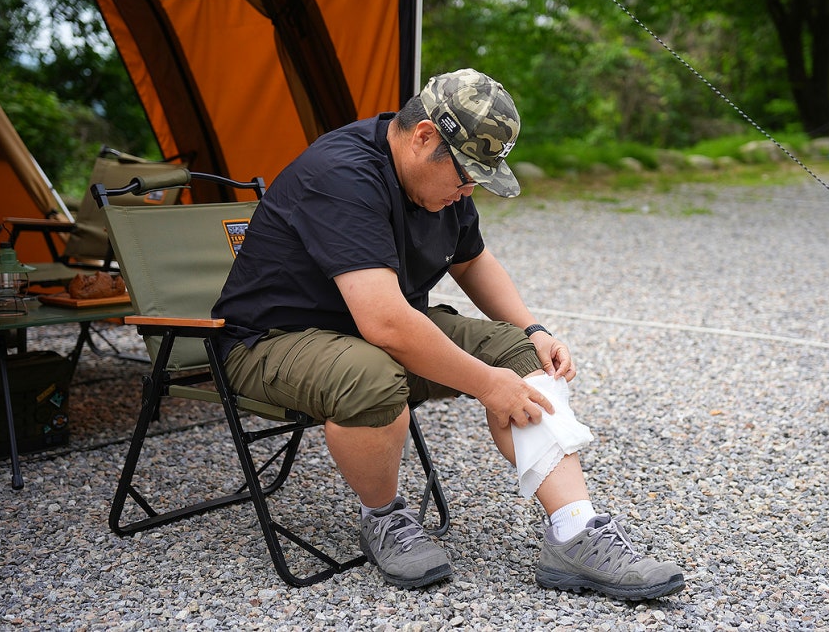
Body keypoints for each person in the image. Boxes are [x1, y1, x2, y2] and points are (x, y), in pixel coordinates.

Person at [212, 68, 685, 600]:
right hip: (273, 341)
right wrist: (488, 385)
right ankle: (383, 517)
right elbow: (385, 322)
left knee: (517, 352)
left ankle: (575, 532)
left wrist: (533, 328)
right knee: (371, 375)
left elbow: (473, 262)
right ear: (424, 136)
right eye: (465, 177)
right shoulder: (341, 174)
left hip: (372, 333)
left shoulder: (446, 181)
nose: (468, 191)